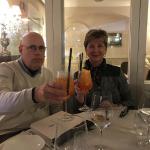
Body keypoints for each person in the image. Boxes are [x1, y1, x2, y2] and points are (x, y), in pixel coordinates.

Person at [0, 32, 68, 143]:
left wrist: (62, 121)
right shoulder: (6, 69)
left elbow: (55, 107)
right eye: (32, 48)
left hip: (43, 130)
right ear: (21, 50)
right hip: (10, 134)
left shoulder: (48, 74)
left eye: (41, 48)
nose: (38, 53)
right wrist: (35, 94)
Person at [67, 29, 136, 113]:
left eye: (100, 46)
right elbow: (73, 111)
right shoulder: (78, 75)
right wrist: (80, 97)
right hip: (89, 123)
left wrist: (114, 106)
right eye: (91, 46)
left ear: (105, 49)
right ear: (86, 50)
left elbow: (131, 103)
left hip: (114, 121)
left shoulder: (116, 72)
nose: (95, 50)